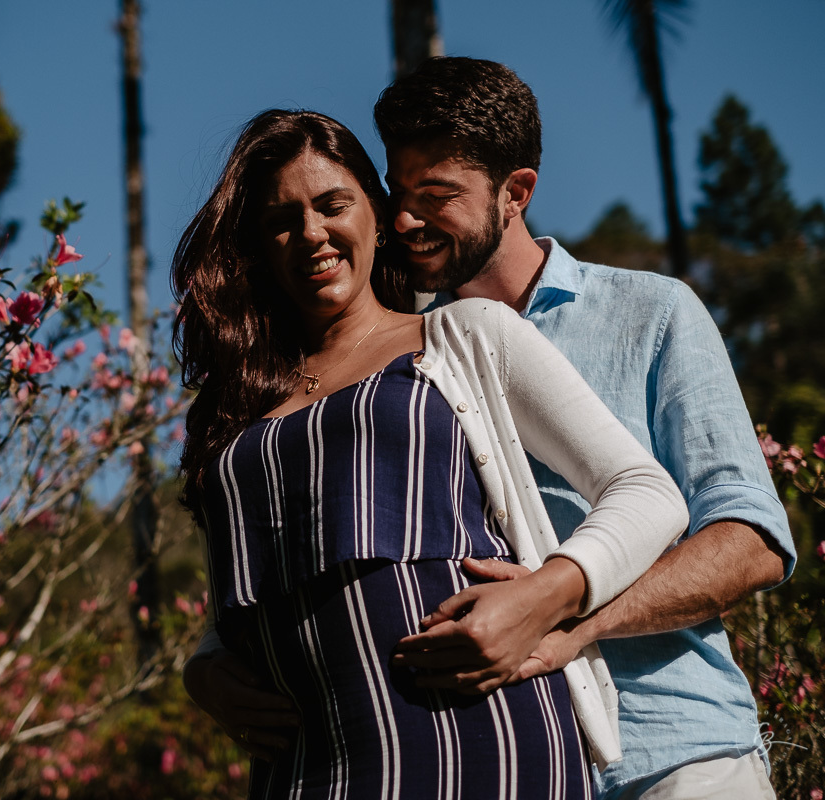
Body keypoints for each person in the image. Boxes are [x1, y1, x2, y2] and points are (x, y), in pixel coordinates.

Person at [186, 58, 796, 800]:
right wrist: (210, 657)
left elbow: (751, 542)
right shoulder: (406, 358)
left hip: (670, 752)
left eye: (436, 196)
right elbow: (314, 534)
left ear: (515, 193)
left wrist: (565, 614)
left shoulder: (648, 313)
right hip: (506, 747)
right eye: (398, 194)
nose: (406, 220)